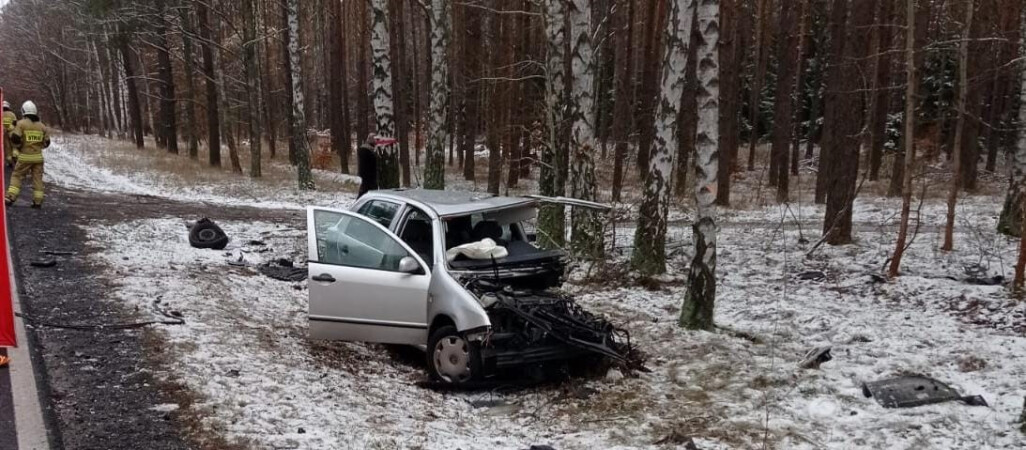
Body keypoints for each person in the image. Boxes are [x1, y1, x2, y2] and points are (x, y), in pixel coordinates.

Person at [5, 101, 50, 208]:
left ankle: (10, 197)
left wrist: (19, 146)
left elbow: (15, 138)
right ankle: (38, 201)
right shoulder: (42, 126)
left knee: (17, 175)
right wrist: (38, 147)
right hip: (38, 158)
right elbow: (47, 143)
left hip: (25, 157)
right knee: (37, 179)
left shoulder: (21, 124)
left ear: (23, 111)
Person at [357, 133, 378, 198]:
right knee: (367, 191)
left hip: (365, 174)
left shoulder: (364, 150)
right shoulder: (368, 151)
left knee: (365, 190)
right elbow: (372, 163)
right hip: (369, 175)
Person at [2, 101, 18, 167]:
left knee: (7, 147)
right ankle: (15, 157)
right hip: (12, 132)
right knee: (14, 146)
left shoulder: (1, 114)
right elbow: (15, 123)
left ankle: (9, 161)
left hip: (3, 133)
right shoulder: (12, 114)